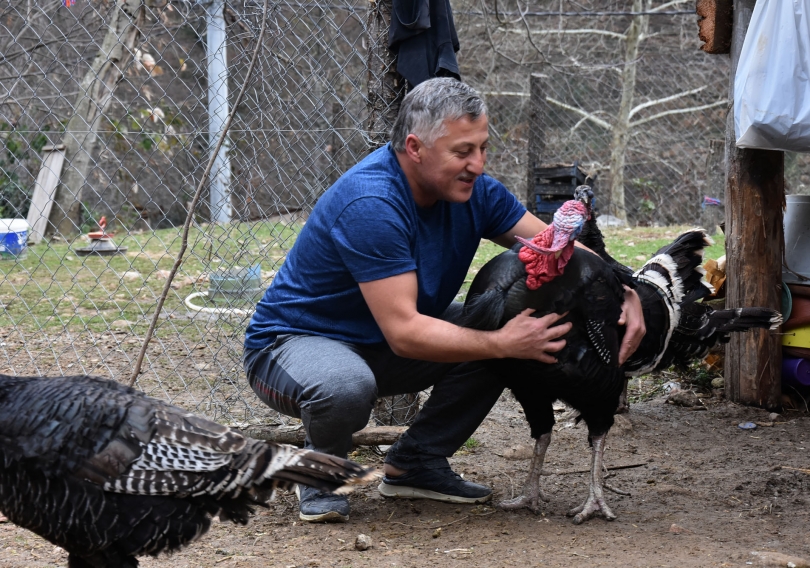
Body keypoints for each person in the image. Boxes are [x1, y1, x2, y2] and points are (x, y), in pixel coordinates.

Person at [243, 78, 645, 523]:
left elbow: (558, 245)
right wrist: (504, 343)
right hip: (292, 347)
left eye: (482, 148)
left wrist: (623, 289)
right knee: (347, 385)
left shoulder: (476, 193)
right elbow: (406, 333)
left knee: (500, 320)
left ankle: (415, 461)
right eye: (462, 152)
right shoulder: (372, 202)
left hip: (380, 343)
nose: (477, 163)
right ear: (415, 148)